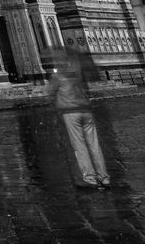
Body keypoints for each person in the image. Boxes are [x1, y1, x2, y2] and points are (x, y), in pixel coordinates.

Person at [47, 47, 111, 189]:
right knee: (95, 145)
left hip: (71, 113)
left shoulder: (58, 75)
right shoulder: (77, 74)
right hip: (87, 111)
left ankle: (89, 178)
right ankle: (104, 177)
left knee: (79, 146)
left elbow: (50, 91)